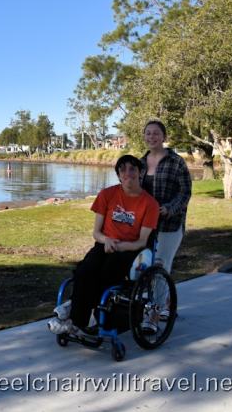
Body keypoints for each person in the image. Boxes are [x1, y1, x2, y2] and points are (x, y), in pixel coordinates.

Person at [50, 155, 159, 337]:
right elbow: (96, 233)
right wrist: (107, 240)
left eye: (132, 169)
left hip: (131, 249)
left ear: (140, 172)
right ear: (118, 175)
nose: (128, 173)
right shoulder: (107, 195)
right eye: (122, 170)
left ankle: (75, 310)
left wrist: (121, 246)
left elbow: (142, 241)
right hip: (105, 244)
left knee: (107, 274)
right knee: (85, 271)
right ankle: (77, 319)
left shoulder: (150, 204)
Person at [140, 120, 192, 273]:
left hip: (169, 225)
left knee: (160, 266)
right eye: (148, 133)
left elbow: (185, 192)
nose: (152, 137)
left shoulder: (176, 162)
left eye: (156, 133)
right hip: (144, 225)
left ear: (164, 137)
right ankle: (150, 296)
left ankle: (159, 298)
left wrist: (169, 209)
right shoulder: (140, 163)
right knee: (142, 267)